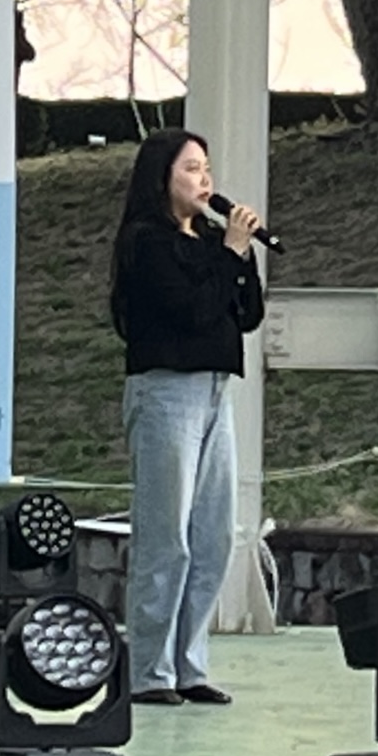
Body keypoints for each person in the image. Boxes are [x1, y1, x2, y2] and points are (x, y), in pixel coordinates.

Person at [107, 129, 264, 704]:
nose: (205, 180)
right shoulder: (146, 242)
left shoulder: (214, 241)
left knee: (213, 534)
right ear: (162, 177)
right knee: (165, 534)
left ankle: (190, 666)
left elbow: (245, 314)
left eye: (207, 168)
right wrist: (230, 256)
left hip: (216, 390)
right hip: (166, 393)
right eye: (192, 169)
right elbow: (192, 310)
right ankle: (150, 671)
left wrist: (241, 257)